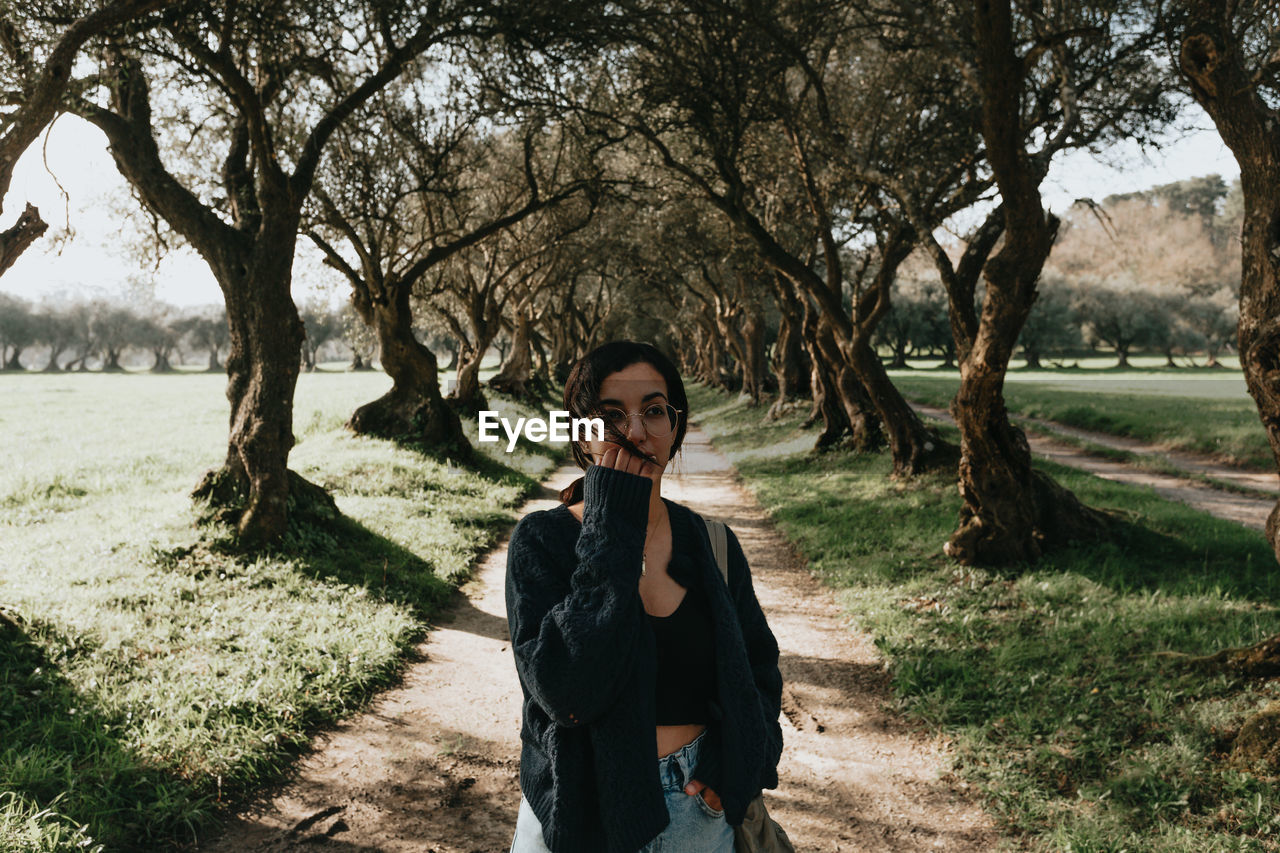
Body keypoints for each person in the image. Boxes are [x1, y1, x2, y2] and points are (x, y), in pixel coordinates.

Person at [504, 340, 784, 853]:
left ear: (675, 426)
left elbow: (760, 671)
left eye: (654, 411)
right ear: (580, 432)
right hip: (579, 812)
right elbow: (565, 693)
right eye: (610, 416)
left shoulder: (712, 542)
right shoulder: (541, 542)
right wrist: (612, 526)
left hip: (698, 813)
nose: (635, 432)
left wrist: (737, 768)